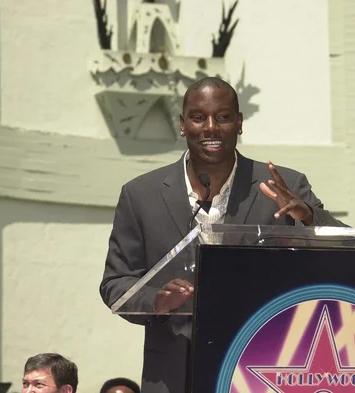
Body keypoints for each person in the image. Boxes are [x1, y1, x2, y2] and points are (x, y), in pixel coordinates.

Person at [99, 77, 346, 393]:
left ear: (239, 123)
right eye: (198, 117)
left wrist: (308, 217)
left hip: (263, 367)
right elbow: (115, 284)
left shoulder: (283, 187)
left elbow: (343, 251)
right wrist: (158, 300)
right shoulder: (140, 196)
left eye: (224, 117)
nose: (211, 127)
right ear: (183, 125)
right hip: (173, 376)